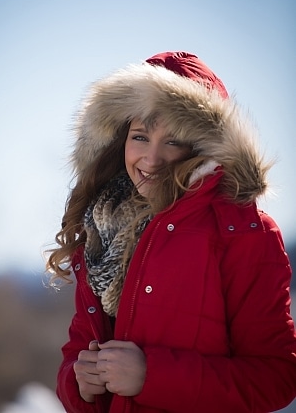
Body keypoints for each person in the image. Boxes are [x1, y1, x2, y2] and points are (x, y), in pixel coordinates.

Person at [46, 51, 296, 412]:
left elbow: (277, 376)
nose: (151, 158)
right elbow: (80, 347)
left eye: (174, 140)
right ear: (120, 142)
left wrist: (152, 376)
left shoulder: (243, 231)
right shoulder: (103, 227)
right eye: (140, 137)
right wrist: (78, 382)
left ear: (204, 148)